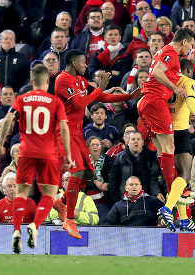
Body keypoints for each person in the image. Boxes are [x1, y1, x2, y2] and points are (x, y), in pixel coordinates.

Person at [53, 49, 140, 239]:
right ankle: (69, 218)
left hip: (76, 133)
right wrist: (99, 88)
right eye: (84, 63)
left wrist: (129, 96)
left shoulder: (81, 81)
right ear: (75, 63)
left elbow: (102, 97)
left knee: (89, 174)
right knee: (76, 172)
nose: (86, 66)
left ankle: (61, 201)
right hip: (64, 132)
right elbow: (78, 103)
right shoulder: (63, 80)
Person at [0, 65, 72, 254]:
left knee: (21, 194)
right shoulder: (55, 102)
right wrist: (68, 154)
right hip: (48, 154)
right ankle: (35, 225)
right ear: (47, 81)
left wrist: (0, 143)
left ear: (31, 82)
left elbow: (8, 119)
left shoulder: (22, 99)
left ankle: (16, 232)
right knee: (49, 194)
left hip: (26, 153)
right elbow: (63, 127)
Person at [137, 28, 195, 232]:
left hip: (148, 101)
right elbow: (156, 72)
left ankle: (174, 206)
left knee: (163, 151)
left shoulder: (163, 52)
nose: (191, 48)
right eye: (192, 44)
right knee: (170, 146)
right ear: (186, 42)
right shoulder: (170, 53)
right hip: (154, 101)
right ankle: (173, 199)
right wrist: (175, 87)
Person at [166, 58, 195, 231]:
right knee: (184, 175)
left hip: (165, 132)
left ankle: (184, 219)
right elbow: (191, 103)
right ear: (188, 71)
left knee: (176, 181)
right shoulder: (187, 82)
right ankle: (167, 209)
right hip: (179, 132)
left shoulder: (165, 83)